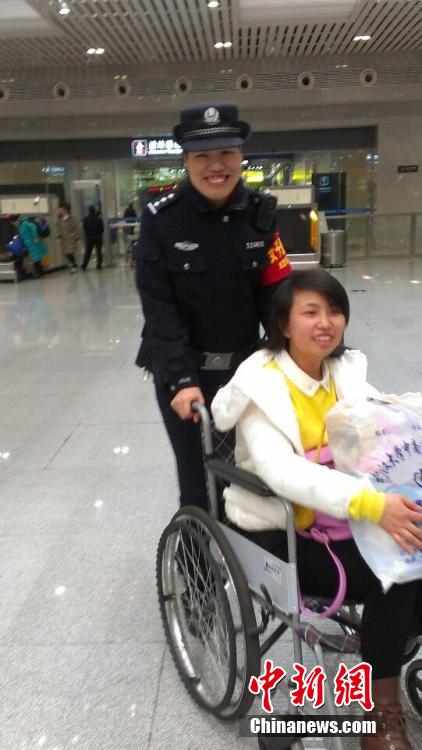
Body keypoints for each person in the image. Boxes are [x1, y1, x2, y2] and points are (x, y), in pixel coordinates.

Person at [211, 268, 422, 750]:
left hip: (346, 522)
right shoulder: (261, 386)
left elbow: (380, 432)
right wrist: (373, 503)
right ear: (284, 325)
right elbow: (281, 472)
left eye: (334, 310)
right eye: (310, 312)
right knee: (401, 575)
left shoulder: (344, 371)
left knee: (414, 543)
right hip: (283, 533)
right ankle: (381, 714)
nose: (325, 322)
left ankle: (390, 643)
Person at [134, 102, 292, 512]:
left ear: (241, 156)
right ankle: (196, 567)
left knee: (252, 472)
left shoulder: (260, 213)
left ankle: (246, 562)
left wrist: (301, 353)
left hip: (245, 372)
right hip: (185, 372)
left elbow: (275, 296)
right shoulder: (161, 220)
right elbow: (160, 308)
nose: (215, 165)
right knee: (198, 481)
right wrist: (182, 379)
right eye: (202, 155)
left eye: (226, 153)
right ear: (186, 160)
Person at [13, 214, 47, 278]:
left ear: (16, 220)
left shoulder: (24, 223)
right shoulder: (21, 226)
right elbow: (23, 235)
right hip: (30, 244)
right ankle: (41, 272)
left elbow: (33, 227)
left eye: (14, 222)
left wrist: (35, 237)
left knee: (36, 258)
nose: (14, 224)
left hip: (34, 243)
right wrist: (18, 237)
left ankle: (38, 273)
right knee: (36, 258)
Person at [56, 202, 79, 273]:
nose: (60, 211)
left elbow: (76, 227)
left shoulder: (72, 217)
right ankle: (73, 265)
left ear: (66, 210)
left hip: (70, 238)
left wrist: (76, 236)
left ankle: (73, 266)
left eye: (62, 209)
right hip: (63, 240)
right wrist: (58, 235)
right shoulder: (59, 218)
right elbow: (57, 228)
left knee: (70, 253)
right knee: (67, 253)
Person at [81, 204, 104, 271]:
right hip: (98, 237)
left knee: (88, 252)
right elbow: (102, 229)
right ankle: (99, 265)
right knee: (99, 251)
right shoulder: (98, 219)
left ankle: (84, 265)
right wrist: (99, 234)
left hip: (89, 238)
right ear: (94, 210)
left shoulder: (86, 219)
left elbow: (84, 228)